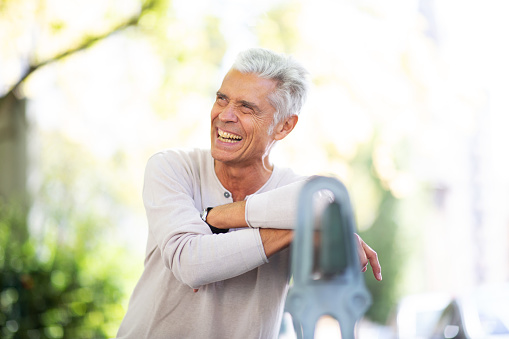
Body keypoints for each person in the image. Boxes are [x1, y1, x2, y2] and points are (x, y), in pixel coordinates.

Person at [116, 47, 382, 339]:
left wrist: (220, 217)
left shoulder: (293, 188)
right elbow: (190, 263)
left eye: (246, 108)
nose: (225, 116)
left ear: (284, 126)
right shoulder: (172, 168)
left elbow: (325, 200)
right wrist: (293, 229)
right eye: (222, 99)